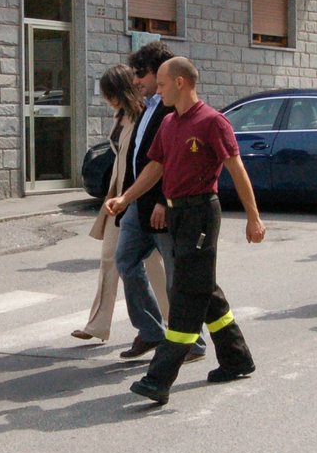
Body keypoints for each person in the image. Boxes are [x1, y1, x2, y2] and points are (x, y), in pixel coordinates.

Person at [104, 57, 265, 405]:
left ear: (180, 83)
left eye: (160, 85)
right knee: (206, 289)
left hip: (201, 214)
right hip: (177, 215)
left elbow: (236, 170)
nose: (155, 91)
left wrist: (254, 217)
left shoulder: (212, 122)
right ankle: (237, 358)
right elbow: (155, 167)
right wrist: (126, 198)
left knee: (188, 296)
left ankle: (158, 379)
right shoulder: (169, 124)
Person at [113, 41, 205, 363]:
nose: (136, 80)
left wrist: (165, 201)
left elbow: (174, 163)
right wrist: (126, 198)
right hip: (139, 204)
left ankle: (192, 341)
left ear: (161, 73)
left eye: (142, 74)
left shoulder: (173, 107)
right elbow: (141, 156)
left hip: (162, 207)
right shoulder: (149, 105)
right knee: (125, 260)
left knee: (177, 275)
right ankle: (151, 331)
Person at [75, 65, 167, 343]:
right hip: (120, 194)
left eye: (110, 93)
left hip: (138, 196)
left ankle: (179, 327)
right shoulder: (122, 116)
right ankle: (97, 325)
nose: (107, 99)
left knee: (152, 265)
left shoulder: (145, 117)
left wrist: (154, 200)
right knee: (109, 258)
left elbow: (156, 163)